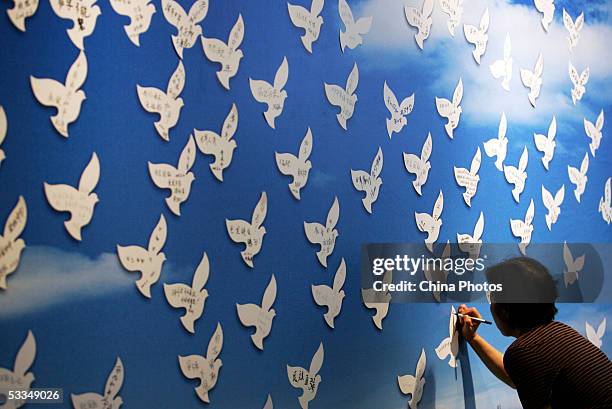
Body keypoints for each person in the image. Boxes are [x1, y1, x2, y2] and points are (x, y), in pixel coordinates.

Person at [458, 256, 612, 409]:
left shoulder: (524, 351)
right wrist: (473, 338)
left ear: (505, 311)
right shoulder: (561, 332)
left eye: (491, 297)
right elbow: (514, 378)